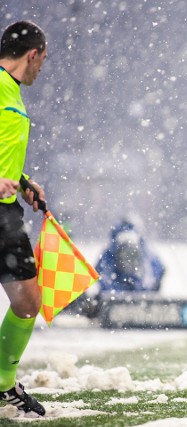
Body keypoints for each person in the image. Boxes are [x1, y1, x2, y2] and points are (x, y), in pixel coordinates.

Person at [0, 21, 48, 415]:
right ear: (32, 54)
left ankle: (1, 383)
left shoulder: (11, 91)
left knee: (29, 301)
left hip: (6, 213)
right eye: (42, 61)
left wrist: (23, 180)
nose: (41, 70)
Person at [95, 218, 165, 294]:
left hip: (114, 295)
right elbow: (158, 269)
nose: (128, 261)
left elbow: (101, 272)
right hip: (142, 295)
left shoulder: (109, 252)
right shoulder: (145, 250)